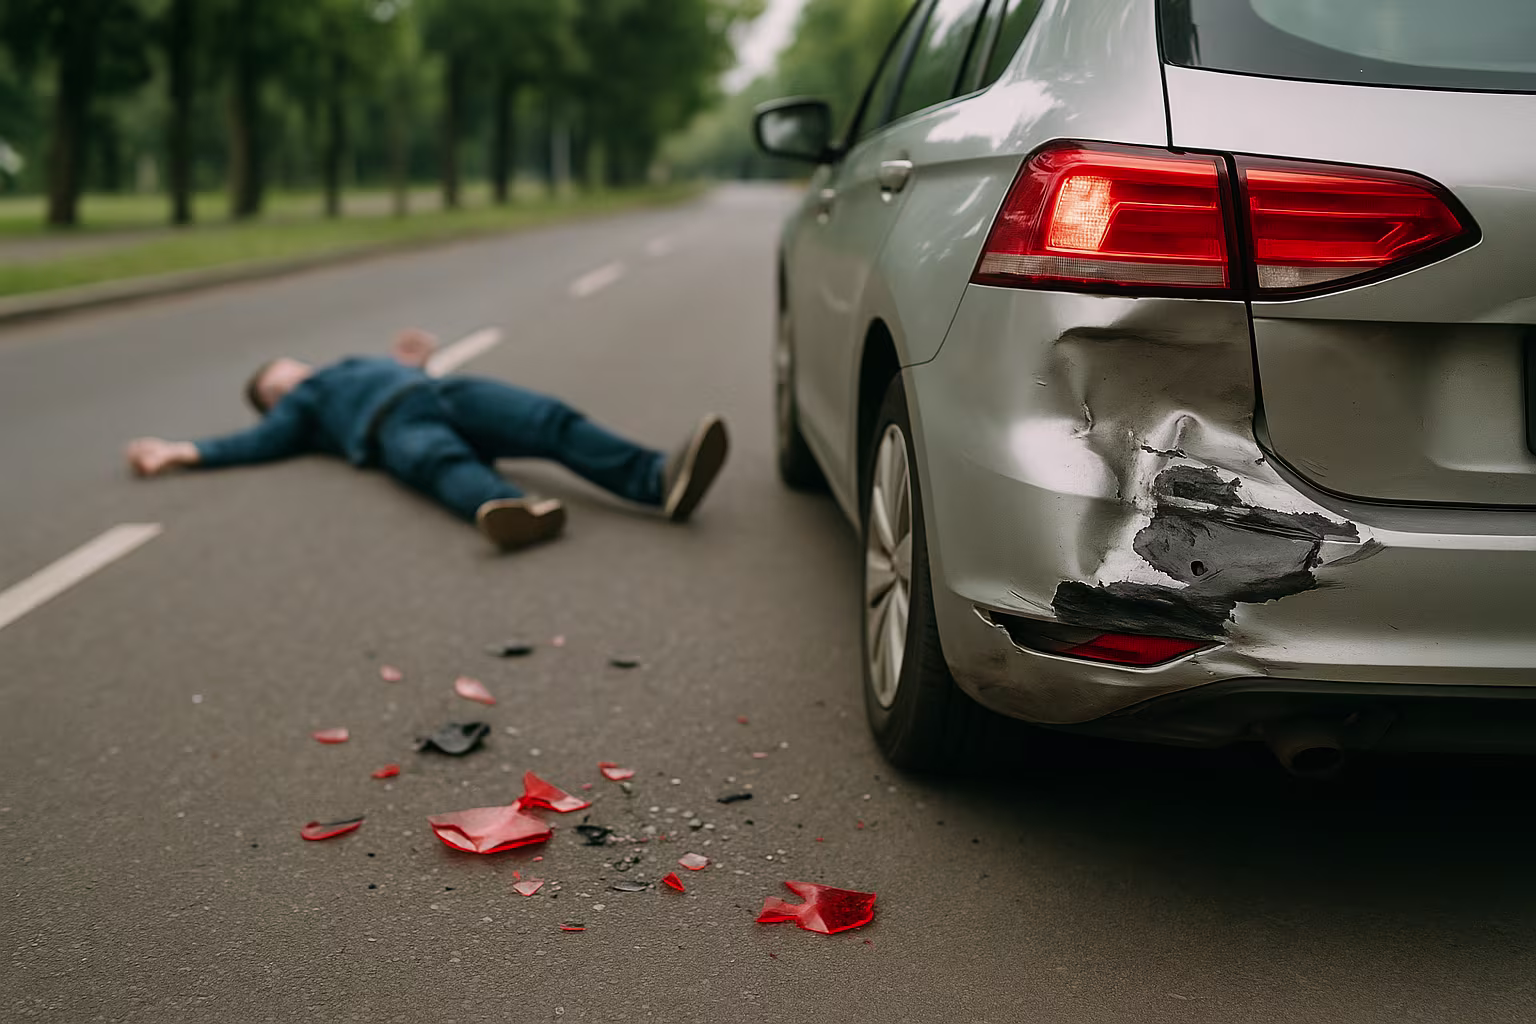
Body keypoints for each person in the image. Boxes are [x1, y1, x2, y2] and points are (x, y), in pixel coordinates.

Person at [125, 329, 730, 551]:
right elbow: (253, 444)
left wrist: (413, 361)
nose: (291, 379)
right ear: (274, 403)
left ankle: (658, 479)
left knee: (547, 420)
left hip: (443, 391)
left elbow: (397, 370)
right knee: (439, 462)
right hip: (393, 426)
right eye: (275, 387)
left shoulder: (347, 366)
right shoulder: (302, 410)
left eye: (290, 369)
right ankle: (511, 510)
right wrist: (181, 450)